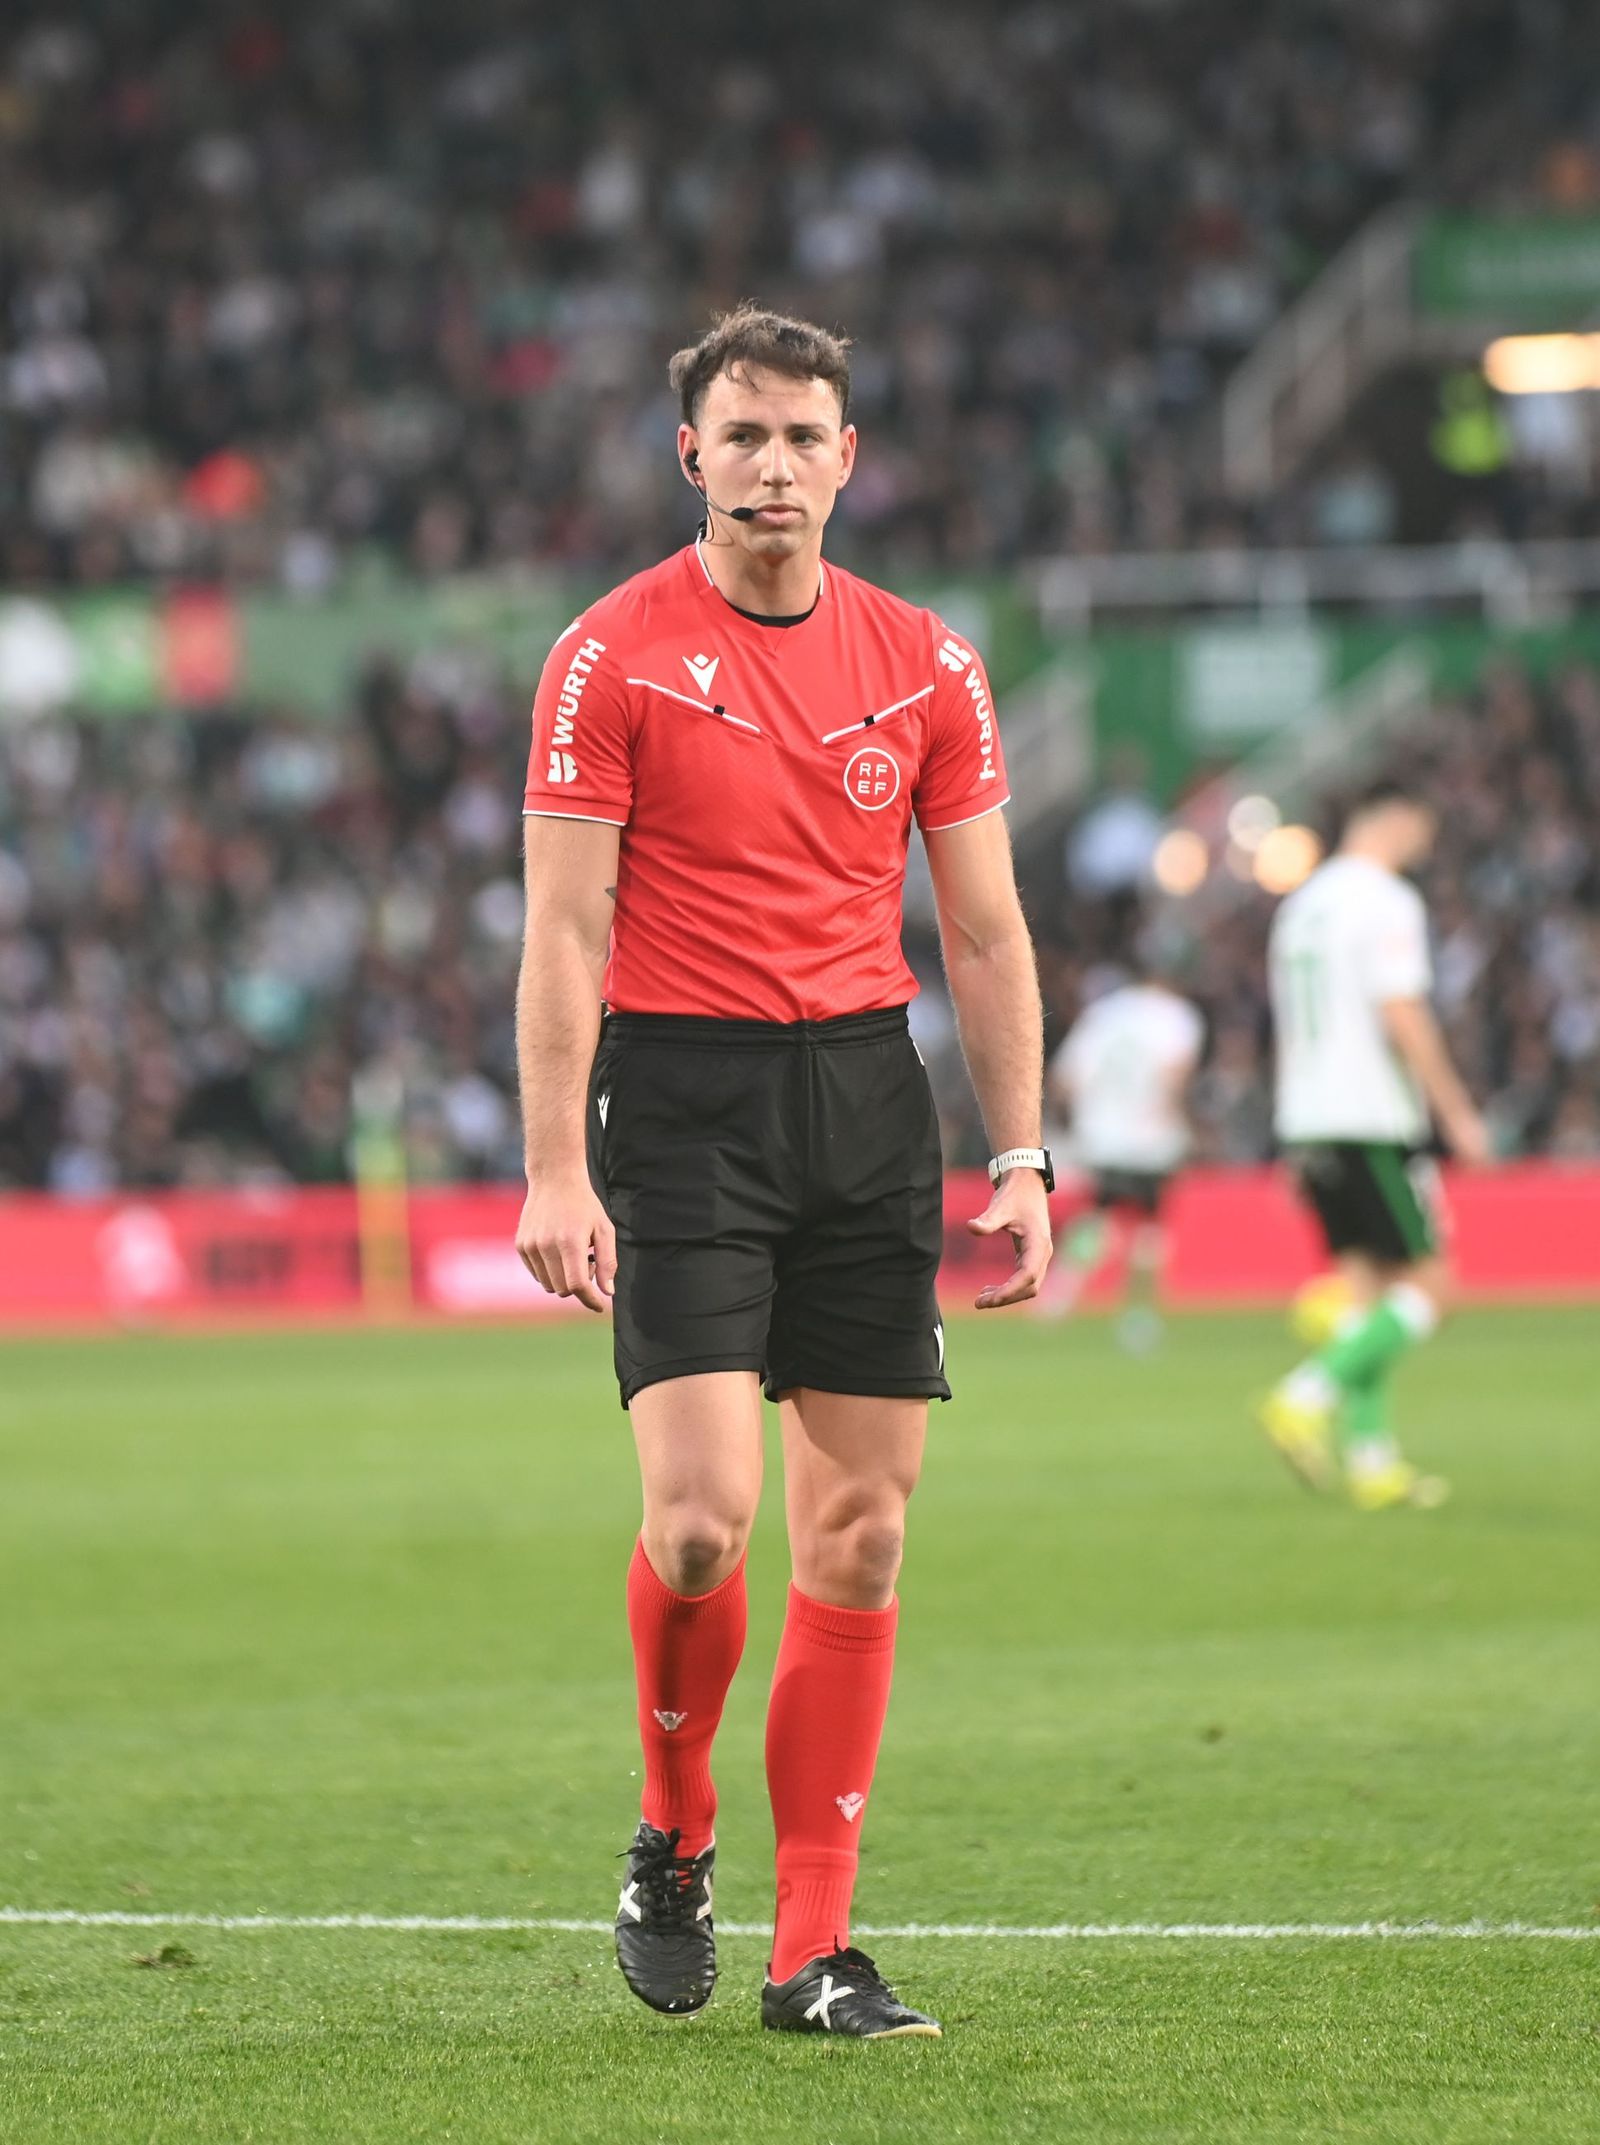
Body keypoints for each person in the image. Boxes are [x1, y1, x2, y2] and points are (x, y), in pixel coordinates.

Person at [514, 306, 1052, 2039]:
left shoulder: (929, 663)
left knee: (865, 1535)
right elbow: (564, 928)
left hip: (865, 1102)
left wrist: (1024, 1153)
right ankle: (673, 1833)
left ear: (847, 459)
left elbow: (985, 930)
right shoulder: (608, 657)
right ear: (692, 457)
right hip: (681, 1102)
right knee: (697, 1526)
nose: (772, 465)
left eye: (802, 436)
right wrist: (552, 1167)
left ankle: (813, 1951)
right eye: (741, 436)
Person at [1260, 781, 1491, 1510]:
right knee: (1434, 1287)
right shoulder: (1386, 899)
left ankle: (1371, 1461)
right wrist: (1455, 1110)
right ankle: (1305, 1394)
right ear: (1399, 818)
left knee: (1366, 1294)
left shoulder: (1300, 904)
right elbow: (1401, 1009)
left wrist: (1290, 1127)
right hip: (1370, 1115)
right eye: (1423, 829)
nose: (1424, 845)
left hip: (1310, 1114)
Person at [1042, 942, 1203, 1349]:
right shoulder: (1178, 1017)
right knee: (1149, 1225)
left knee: (1099, 1215)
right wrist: (1185, 1126)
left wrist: (1076, 1121)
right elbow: (1174, 1076)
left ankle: (1059, 1293)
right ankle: (1138, 1314)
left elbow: (1066, 1078)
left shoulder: (1106, 1011)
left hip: (1101, 1133)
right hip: (1152, 1135)